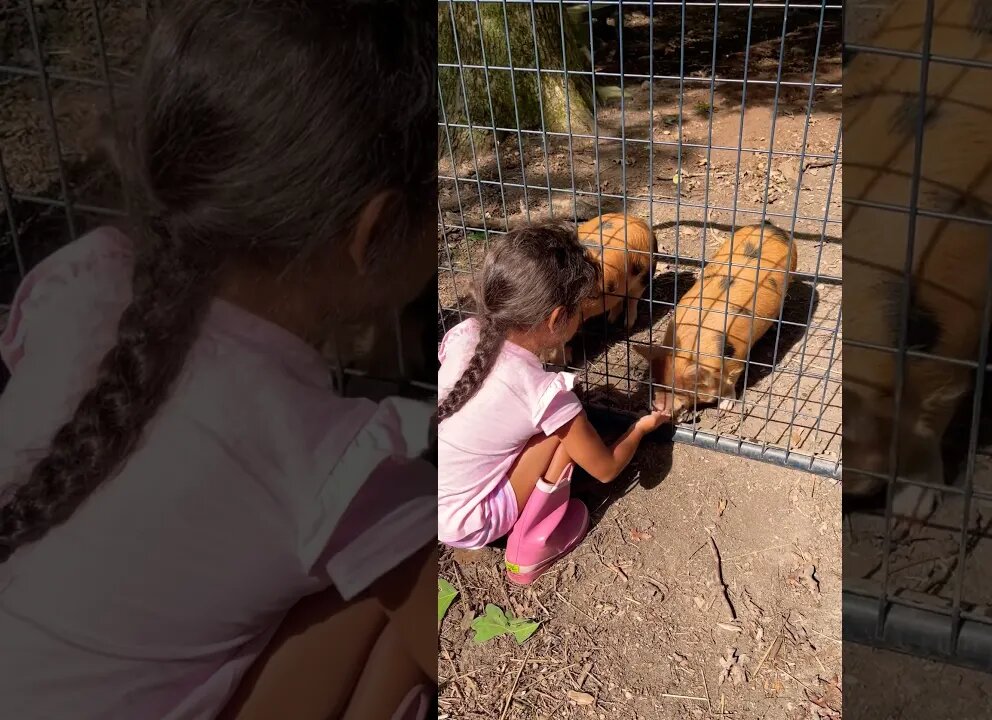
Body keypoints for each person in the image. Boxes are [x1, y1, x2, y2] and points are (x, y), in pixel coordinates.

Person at [0, 2, 439, 718]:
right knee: (385, 591)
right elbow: (447, 622)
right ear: (379, 230)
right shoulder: (330, 460)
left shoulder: (77, 282)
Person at [436, 222, 670, 584]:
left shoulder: (462, 334)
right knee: (563, 433)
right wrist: (640, 428)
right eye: (581, 309)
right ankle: (533, 541)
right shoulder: (543, 392)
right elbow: (606, 468)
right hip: (468, 522)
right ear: (558, 319)